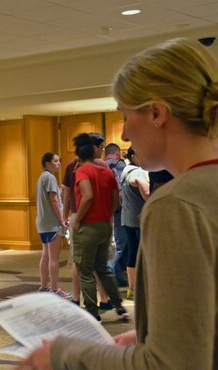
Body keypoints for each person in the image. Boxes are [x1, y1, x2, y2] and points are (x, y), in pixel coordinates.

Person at [23, 38, 218, 369]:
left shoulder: (176, 206)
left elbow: (172, 363)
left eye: (125, 115)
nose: (126, 134)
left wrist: (61, 355)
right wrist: (150, 333)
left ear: (157, 113)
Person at [69, 133, 129, 322]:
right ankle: (119, 306)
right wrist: (108, 215)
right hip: (105, 226)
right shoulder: (106, 171)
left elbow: (87, 196)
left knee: (85, 271)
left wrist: (77, 220)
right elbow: (114, 199)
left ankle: (93, 312)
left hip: (88, 227)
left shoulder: (83, 171)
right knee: (103, 268)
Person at [61, 134, 113, 308]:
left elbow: (67, 195)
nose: (102, 151)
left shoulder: (71, 166)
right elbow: (109, 196)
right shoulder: (102, 166)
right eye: (101, 147)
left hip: (79, 216)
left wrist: (66, 216)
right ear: (94, 148)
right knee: (99, 261)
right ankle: (104, 298)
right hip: (98, 217)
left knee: (79, 261)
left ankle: (76, 298)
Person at [35, 152, 70, 297]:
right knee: (54, 258)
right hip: (52, 223)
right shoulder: (50, 177)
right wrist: (62, 220)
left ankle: (44, 286)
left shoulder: (42, 177)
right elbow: (54, 199)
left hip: (42, 223)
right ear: (47, 163)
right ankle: (55, 289)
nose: (59, 163)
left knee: (46, 256)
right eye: (55, 161)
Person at [120, 148, 150, 300]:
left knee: (132, 252)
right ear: (134, 157)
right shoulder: (138, 172)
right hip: (139, 219)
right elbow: (147, 194)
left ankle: (132, 287)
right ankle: (141, 287)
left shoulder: (125, 171)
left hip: (127, 218)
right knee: (142, 253)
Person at [104, 143, 128, 287]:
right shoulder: (120, 165)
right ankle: (114, 276)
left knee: (107, 243)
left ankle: (108, 274)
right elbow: (121, 187)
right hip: (118, 209)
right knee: (119, 244)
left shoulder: (99, 166)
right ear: (118, 153)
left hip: (102, 210)